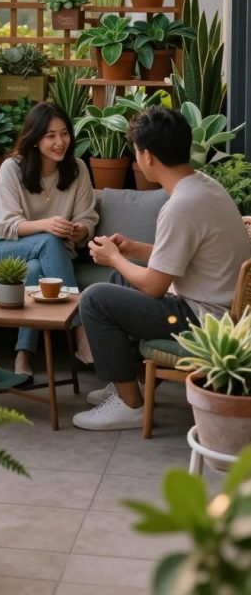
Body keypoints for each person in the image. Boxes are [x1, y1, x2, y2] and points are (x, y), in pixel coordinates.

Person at [73, 106, 251, 431]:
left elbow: (155, 286)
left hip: (200, 321)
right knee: (118, 280)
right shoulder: (203, 187)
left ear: (148, 157)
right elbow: (185, 257)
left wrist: (114, 256)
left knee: (96, 299)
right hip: (213, 307)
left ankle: (130, 406)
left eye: (137, 152)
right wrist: (131, 249)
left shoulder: (180, 206)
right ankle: (125, 385)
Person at [0, 102, 98, 382]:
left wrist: (79, 232)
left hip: (53, 254)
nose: (59, 142)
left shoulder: (78, 169)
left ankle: (23, 353)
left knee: (35, 270)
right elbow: (6, 224)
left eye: (64, 134)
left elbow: (88, 218)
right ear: (35, 139)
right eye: (50, 136)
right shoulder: (11, 169)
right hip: (5, 249)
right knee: (48, 241)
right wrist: (47, 226)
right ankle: (81, 333)